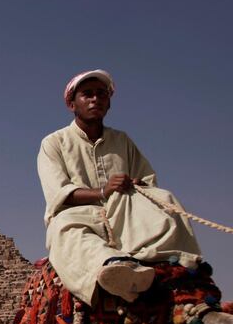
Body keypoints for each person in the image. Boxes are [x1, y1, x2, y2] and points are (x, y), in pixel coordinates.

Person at [37, 70, 201, 304]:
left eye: (101, 94)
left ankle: (185, 264)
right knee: (65, 230)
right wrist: (103, 191)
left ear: (109, 102)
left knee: (166, 198)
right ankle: (113, 267)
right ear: (72, 104)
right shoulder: (54, 143)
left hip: (123, 213)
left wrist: (137, 184)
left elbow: (148, 181)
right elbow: (59, 193)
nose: (95, 99)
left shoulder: (122, 141)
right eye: (87, 94)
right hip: (78, 215)